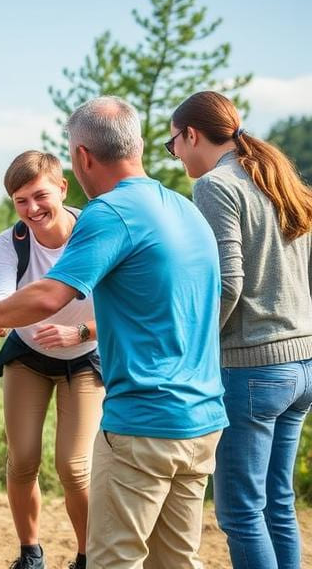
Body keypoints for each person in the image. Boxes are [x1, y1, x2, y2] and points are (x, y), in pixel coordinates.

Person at [0, 95, 229, 569]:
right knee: (177, 561)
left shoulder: (108, 214)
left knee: (112, 559)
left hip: (144, 422)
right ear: (136, 144)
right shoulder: (185, 209)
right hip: (202, 422)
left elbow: (47, 297)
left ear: (80, 158)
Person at [169, 90, 312, 569]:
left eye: (173, 145)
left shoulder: (216, 184)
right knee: (277, 503)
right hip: (302, 365)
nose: (176, 155)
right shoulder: (278, 179)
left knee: (241, 513)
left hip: (253, 369)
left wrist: (193, 350)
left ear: (191, 135)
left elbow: (228, 283)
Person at [0, 150, 103, 569]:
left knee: (73, 466)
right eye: (21, 200)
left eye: (39, 196)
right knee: (23, 459)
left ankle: (89, 556)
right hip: (28, 358)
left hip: (86, 358)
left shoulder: (96, 231)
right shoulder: (11, 242)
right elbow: (0, 293)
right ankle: (29, 553)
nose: (32, 209)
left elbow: (126, 307)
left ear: (62, 188)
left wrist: (81, 331)